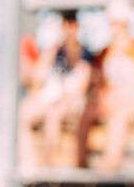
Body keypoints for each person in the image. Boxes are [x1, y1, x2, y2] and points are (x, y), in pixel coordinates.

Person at [76, 0, 134, 171]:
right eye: (113, 24)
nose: (115, 29)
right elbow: (97, 84)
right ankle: (80, 165)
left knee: (119, 116)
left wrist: (121, 95)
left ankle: (109, 167)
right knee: (86, 113)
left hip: (132, 103)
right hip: (109, 101)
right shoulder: (105, 52)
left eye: (118, 24)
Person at [20, 10, 94, 167]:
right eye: (64, 25)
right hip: (50, 98)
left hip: (70, 101)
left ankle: (49, 167)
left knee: (54, 115)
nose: (68, 30)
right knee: (21, 114)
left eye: (71, 25)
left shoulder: (85, 54)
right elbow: (37, 80)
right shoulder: (53, 51)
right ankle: (29, 165)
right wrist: (51, 51)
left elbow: (81, 86)